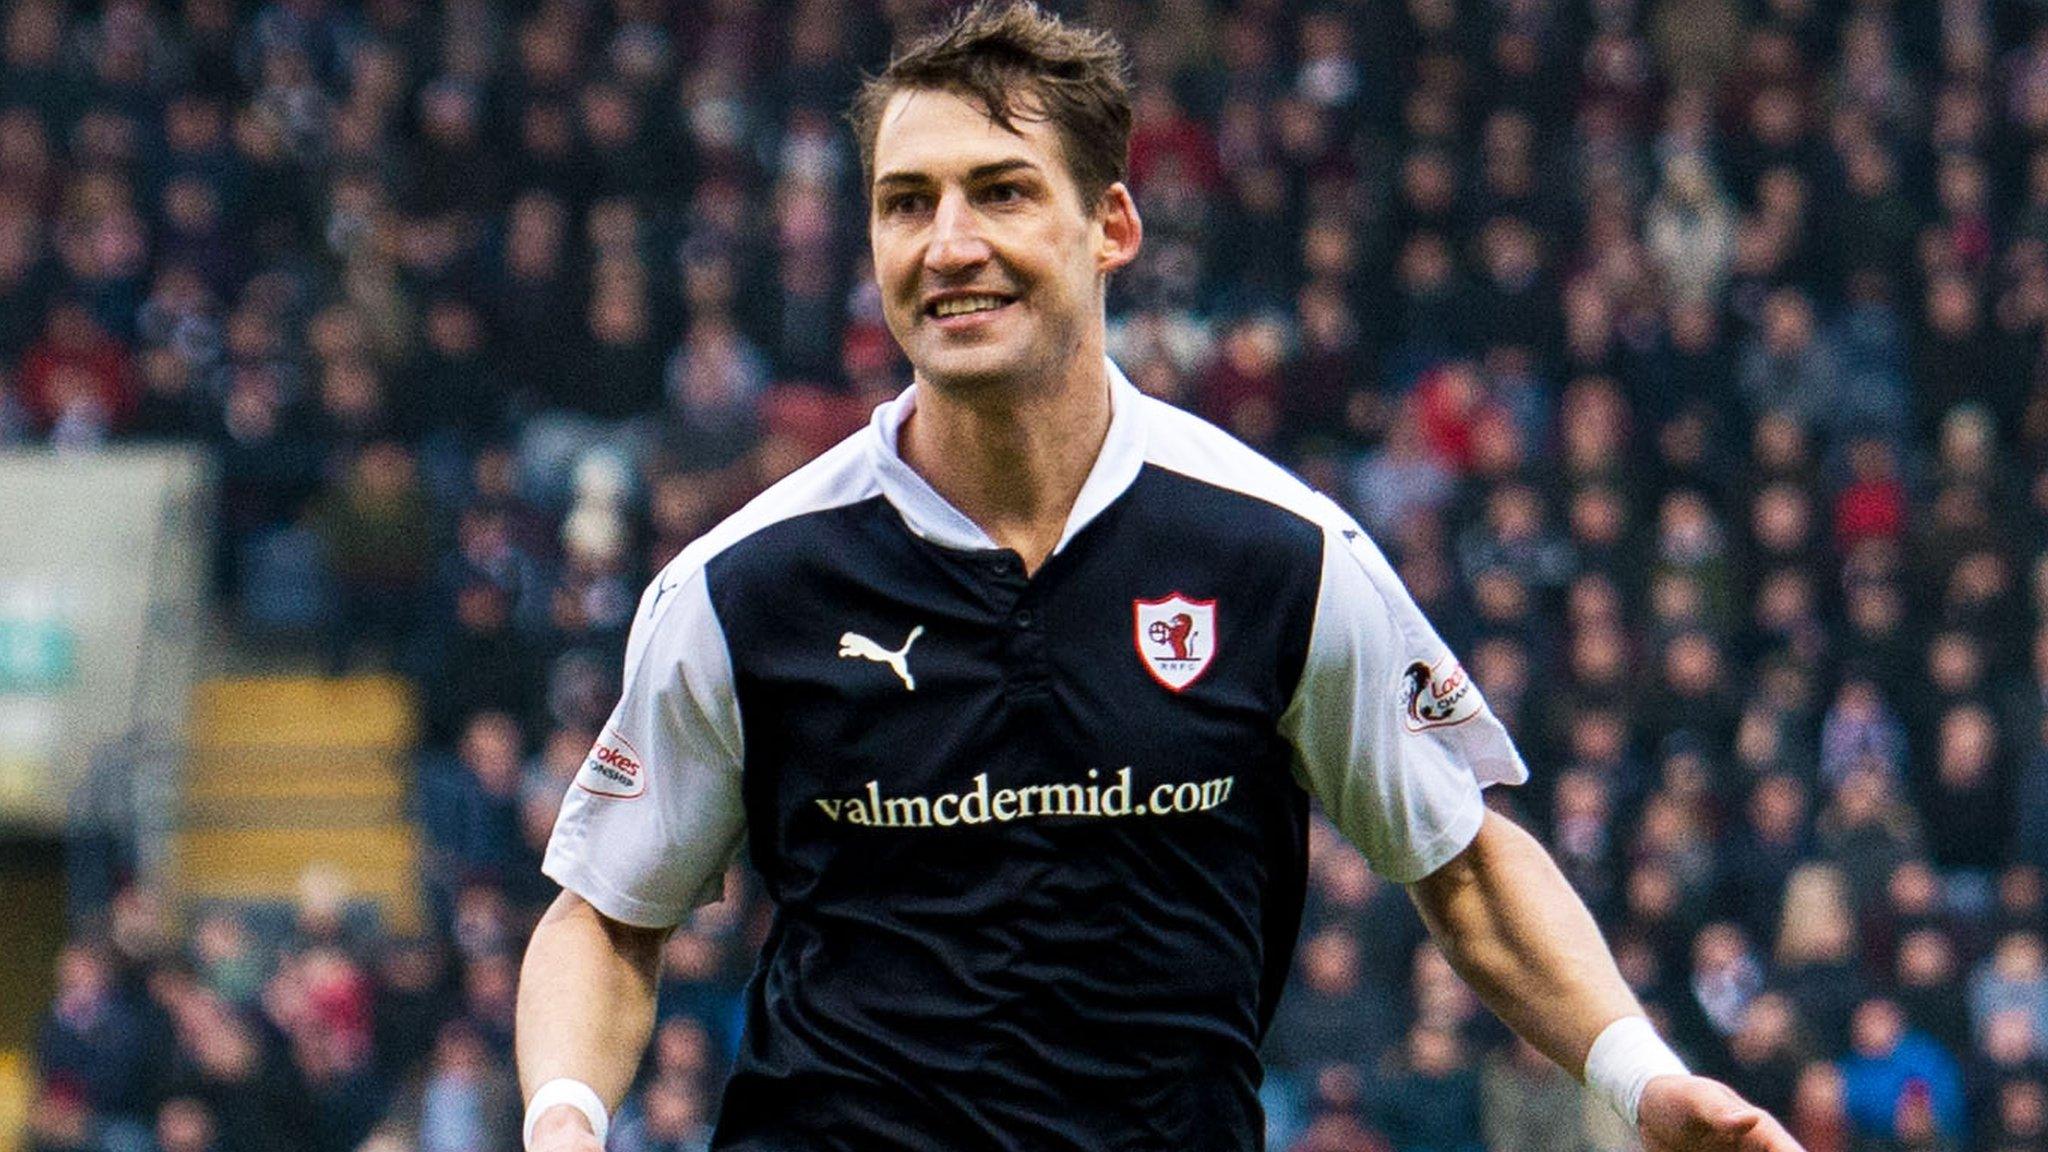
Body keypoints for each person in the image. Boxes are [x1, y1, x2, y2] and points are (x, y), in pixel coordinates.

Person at [515, 4, 1805, 1150]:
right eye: (907, 201)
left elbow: (1460, 864)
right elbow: (608, 918)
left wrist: (1643, 1080)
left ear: (1111, 225)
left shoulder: (1278, 553)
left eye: (1003, 191)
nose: (948, 241)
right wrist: (564, 1121)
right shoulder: (743, 585)